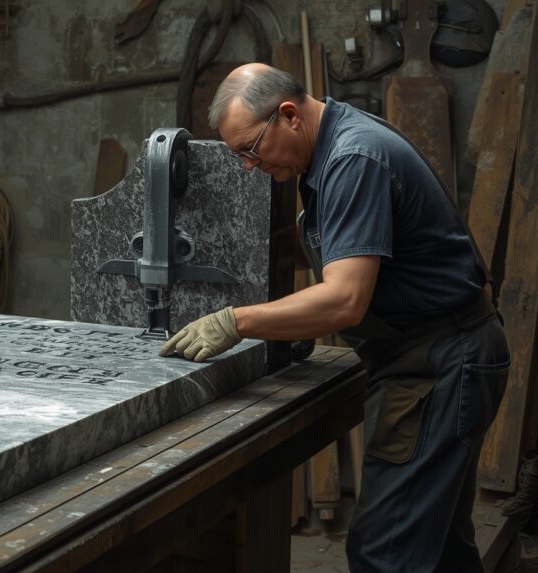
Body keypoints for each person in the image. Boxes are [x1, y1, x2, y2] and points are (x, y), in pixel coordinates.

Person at [160, 63, 509, 572]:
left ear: (288, 115)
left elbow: (345, 298)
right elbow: (343, 248)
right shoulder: (333, 145)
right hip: (434, 354)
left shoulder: (352, 158)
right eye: (240, 156)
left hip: (439, 364)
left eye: (251, 149)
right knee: (442, 549)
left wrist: (234, 322)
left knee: (386, 552)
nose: (250, 167)